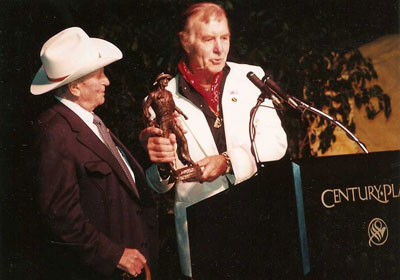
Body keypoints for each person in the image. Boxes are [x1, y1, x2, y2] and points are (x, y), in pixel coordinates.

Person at [139, 2, 288, 279]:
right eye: (209, 39)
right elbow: (156, 184)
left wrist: (229, 161)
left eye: (225, 37)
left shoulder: (251, 78)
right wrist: (162, 164)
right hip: (203, 234)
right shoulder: (161, 100)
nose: (220, 49)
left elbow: (276, 142)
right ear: (186, 41)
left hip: (260, 220)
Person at [31, 27, 158, 280]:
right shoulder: (55, 131)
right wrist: (114, 254)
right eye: (99, 75)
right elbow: (61, 216)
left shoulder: (90, 121)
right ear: (76, 87)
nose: (107, 81)